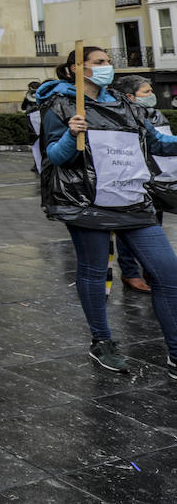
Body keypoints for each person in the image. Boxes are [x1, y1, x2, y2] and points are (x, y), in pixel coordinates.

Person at [35, 47, 177, 375]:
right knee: (95, 271)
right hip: (88, 204)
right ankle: (102, 341)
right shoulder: (60, 105)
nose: (107, 67)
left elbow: (155, 142)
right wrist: (73, 134)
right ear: (75, 68)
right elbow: (55, 157)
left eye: (109, 61)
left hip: (133, 201)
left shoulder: (125, 104)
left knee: (167, 272)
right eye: (99, 62)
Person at [113, 74, 172, 293]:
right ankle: (129, 273)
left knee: (154, 223)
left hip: (157, 179)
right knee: (129, 228)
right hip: (132, 180)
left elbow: (162, 143)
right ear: (130, 96)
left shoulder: (156, 115)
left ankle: (150, 267)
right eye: (146, 92)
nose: (151, 95)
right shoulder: (123, 117)